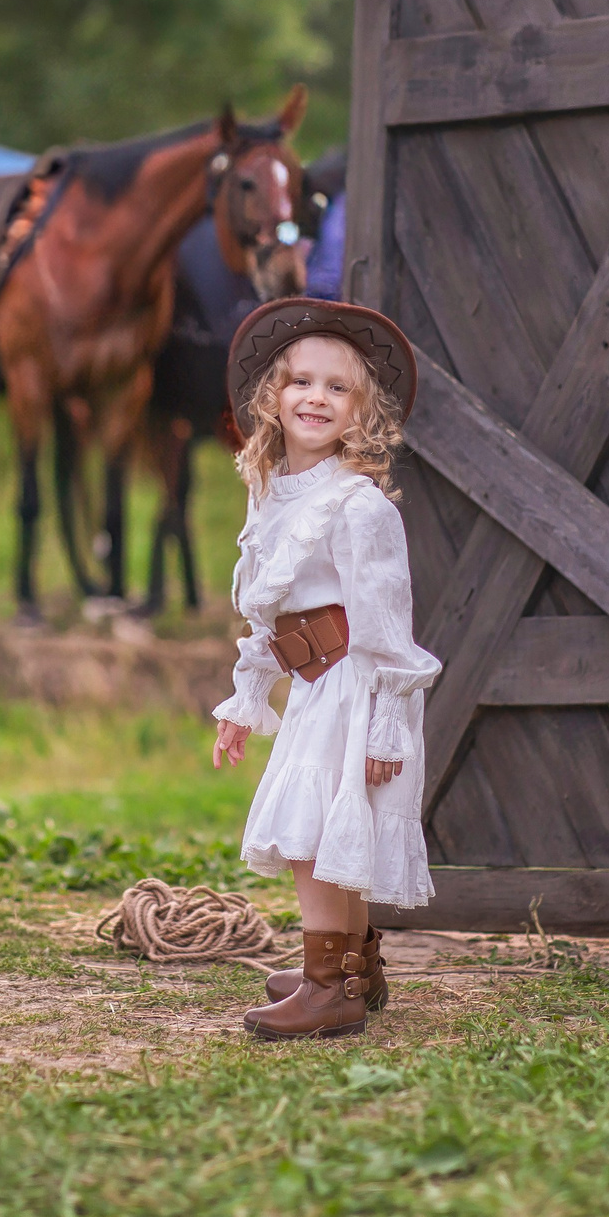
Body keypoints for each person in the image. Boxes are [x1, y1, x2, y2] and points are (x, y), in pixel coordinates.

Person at [209, 297, 438, 1040]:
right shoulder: (272, 489)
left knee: (316, 840)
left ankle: (323, 984)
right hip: (313, 685)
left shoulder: (358, 506)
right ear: (273, 396)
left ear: (362, 411)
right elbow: (266, 613)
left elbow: (388, 632)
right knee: (337, 836)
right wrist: (246, 701)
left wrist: (385, 727)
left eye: (337, 388)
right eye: (301, 381)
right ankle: (354, 967)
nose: (315, 397)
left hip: (355, 686)